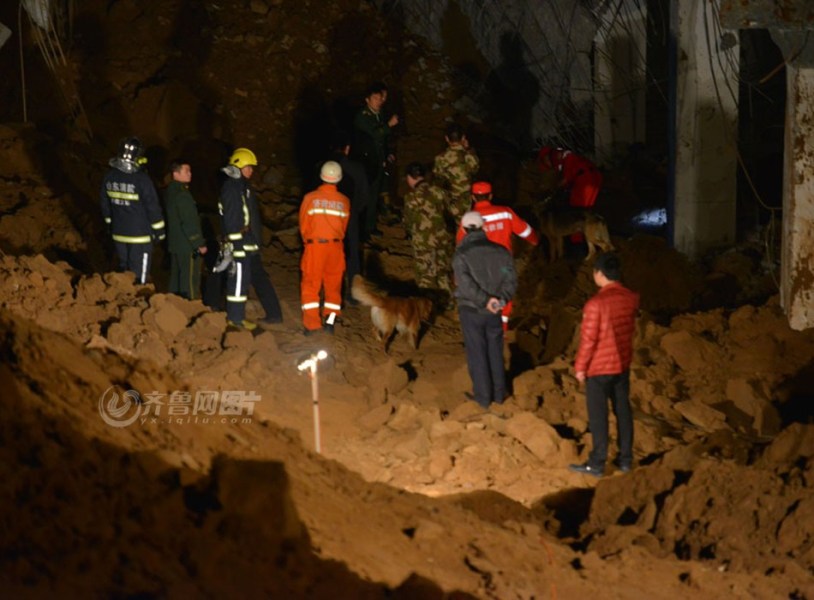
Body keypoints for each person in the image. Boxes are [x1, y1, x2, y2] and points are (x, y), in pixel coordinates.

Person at [569, 252, 640, 477]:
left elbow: (588, 339)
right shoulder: (630, 298)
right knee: (623, 411)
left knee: (598, 415)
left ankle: (597, 462)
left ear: (599, 274)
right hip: (622, 364)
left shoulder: (595, 304)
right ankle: (625, 459)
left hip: (599, 368)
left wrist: (580, 367)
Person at [453, 211, 517, 408]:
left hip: (472, 311)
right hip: (495, 311)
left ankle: (482, 398)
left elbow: (465, 284)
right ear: (484, 228)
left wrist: (484, 300)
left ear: (463, 229)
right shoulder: (502, 252)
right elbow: (510, 280)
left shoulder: (461, 255)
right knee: (495, 351)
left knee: (477, 353)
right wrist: (498, 301)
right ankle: (499, 395)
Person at [456, 181, 538, 329]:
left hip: (477, 267)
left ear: (473, 198)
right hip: (503, 266)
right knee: (504, 294)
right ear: (491, 196)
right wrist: (534, 240)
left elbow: (461, 246)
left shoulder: (468, 219)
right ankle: (502, 329)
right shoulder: (505, 213)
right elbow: (526, 231)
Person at [219, 147, 283, 331]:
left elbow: (248, 217)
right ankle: (235, 319)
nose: (251, 171)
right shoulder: (232, 188)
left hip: (245, 242)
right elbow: (232, 220)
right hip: (238, 243)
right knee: (237, 282)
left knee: (242, 282)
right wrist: (237, 243)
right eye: (248, 167)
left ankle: (237, 317)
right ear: (238, 166)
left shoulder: (241, 187)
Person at [100, 136, 165, 284]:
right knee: (138, 276)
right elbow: (152, 207)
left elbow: (105, 205)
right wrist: (159, 232)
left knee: (124, 271)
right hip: (140, 236)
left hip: (118, 234)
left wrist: (110, 224)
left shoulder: (109, 177)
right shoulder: (142, 180)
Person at [299, 161, 350, 335]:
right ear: (338, 179)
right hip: (336, 248)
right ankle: (330, 321)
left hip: (315, 247)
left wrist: (309, 241)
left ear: (321, 176)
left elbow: (304, 225)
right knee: (333, 285)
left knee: (311, 285)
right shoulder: (344, 201)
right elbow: (344, 226)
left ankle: (312, 325)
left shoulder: (310, 198)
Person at [353, 81, 398, 237]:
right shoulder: (363, 116)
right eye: (375, 98)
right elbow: (376, 133)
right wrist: (389, 125)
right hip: (365, 162)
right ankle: (360, 228)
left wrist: (387, 154)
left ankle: (370, 226)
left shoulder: (380, 114)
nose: (379, 101)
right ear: (367, 100)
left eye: (380, 98)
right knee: (364, 195)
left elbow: (383, 141)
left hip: (378, 161)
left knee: (374, 195)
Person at [330, 130, 370, 302]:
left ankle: (333, 290)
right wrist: (355, 211)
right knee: (353, 253)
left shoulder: (323, 167)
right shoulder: (357, 168)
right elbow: (365, 195)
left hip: (329, 217)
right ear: (347, 149)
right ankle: (353, 294)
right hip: (350, 215)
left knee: (331, 253)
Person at [403, 162, 453, 302]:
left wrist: (409, 232)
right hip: (443, 238)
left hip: (423, 242)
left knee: (425, 274)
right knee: (442, 271)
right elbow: (449, 212)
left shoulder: (411, 198)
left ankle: (427, 304)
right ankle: (446, 302)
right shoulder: (439, 192)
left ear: (410, 178)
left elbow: (408, 221)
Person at [165, 159, 207, 300]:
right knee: (189, 279)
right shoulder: (183, 194)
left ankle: (172, 306)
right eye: (186, 171)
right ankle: (189, 308)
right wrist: (198, 243)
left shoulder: (170, 191)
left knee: (176, 277)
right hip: (187, 245)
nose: (190, 174)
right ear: (175, 173)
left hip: (175, 243)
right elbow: (188, 222)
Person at [433, 122, 479, 227]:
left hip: (448, 201)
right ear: (463, 138)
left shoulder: (440, 158)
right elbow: (475, 170)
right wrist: (468, 149)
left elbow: (438, 177)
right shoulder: (469, 157)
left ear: (447, 139)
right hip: (466, 201)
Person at [538, 146, 603, 210]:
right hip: (594, 176)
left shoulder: (568, 159)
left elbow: (565, 179)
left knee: (578, 207)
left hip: (585, 179)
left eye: (546, 161)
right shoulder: (571, 158)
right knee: (587, 206)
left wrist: (555, 188)